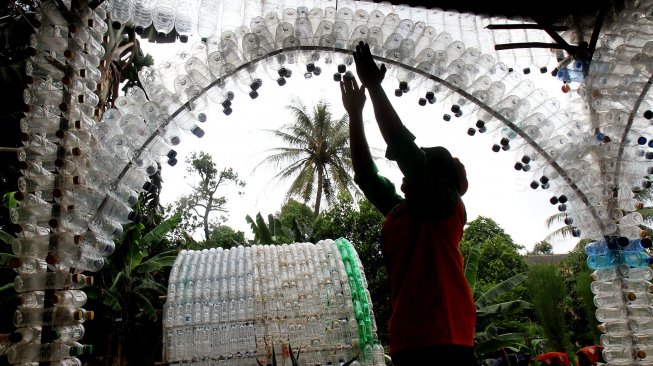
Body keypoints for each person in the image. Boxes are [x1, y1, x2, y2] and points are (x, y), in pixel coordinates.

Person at [340, 41, 476, 365]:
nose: (406, 169)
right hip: (408, 340)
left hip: (447, 337)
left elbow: (403, 148)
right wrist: (355, 114)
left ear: (436, 177)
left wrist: (373, 87)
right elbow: (366, 175)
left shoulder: (448, 206)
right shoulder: (401, 212)